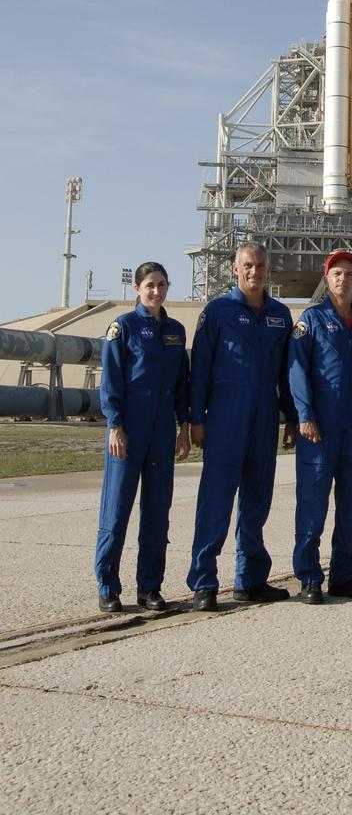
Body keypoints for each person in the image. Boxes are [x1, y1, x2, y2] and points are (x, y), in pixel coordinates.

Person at [186, 242, 294, 611]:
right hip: (224, 415)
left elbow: (287, 373)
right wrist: (195, 419)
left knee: (257, 501)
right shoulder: (217, 312)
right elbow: (199, 367)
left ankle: (250, 580)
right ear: (235, 268)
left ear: (268, 270)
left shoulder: (281, 314)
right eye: (248, 265)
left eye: (260, 266)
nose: (255, 272)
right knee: (215, 500)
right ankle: (203, 582)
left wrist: (291, 416)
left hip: (264, 416)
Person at [288, 250, 352, 603]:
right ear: (327, 279)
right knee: (313, 501)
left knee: (350, 503)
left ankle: (344, 575)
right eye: (336, 273)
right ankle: (309, 576)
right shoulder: (310, 320)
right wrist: (305, 414)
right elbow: (297, 370)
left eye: (349, 273)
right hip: (319, 426)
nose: (343, 279)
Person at [94, 262, 190, 613]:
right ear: (137, 288)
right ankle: (108, 585)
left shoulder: (176, 332)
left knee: (156, 513)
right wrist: (115, 425)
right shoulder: (123, 327)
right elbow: (112, 382)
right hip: (128, 432)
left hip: (162, 433)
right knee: (116, 511)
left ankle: (149, 587)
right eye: (149, 285)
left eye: (161, 284)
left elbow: (182, 385)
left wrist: (184, 427)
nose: (156, 290)